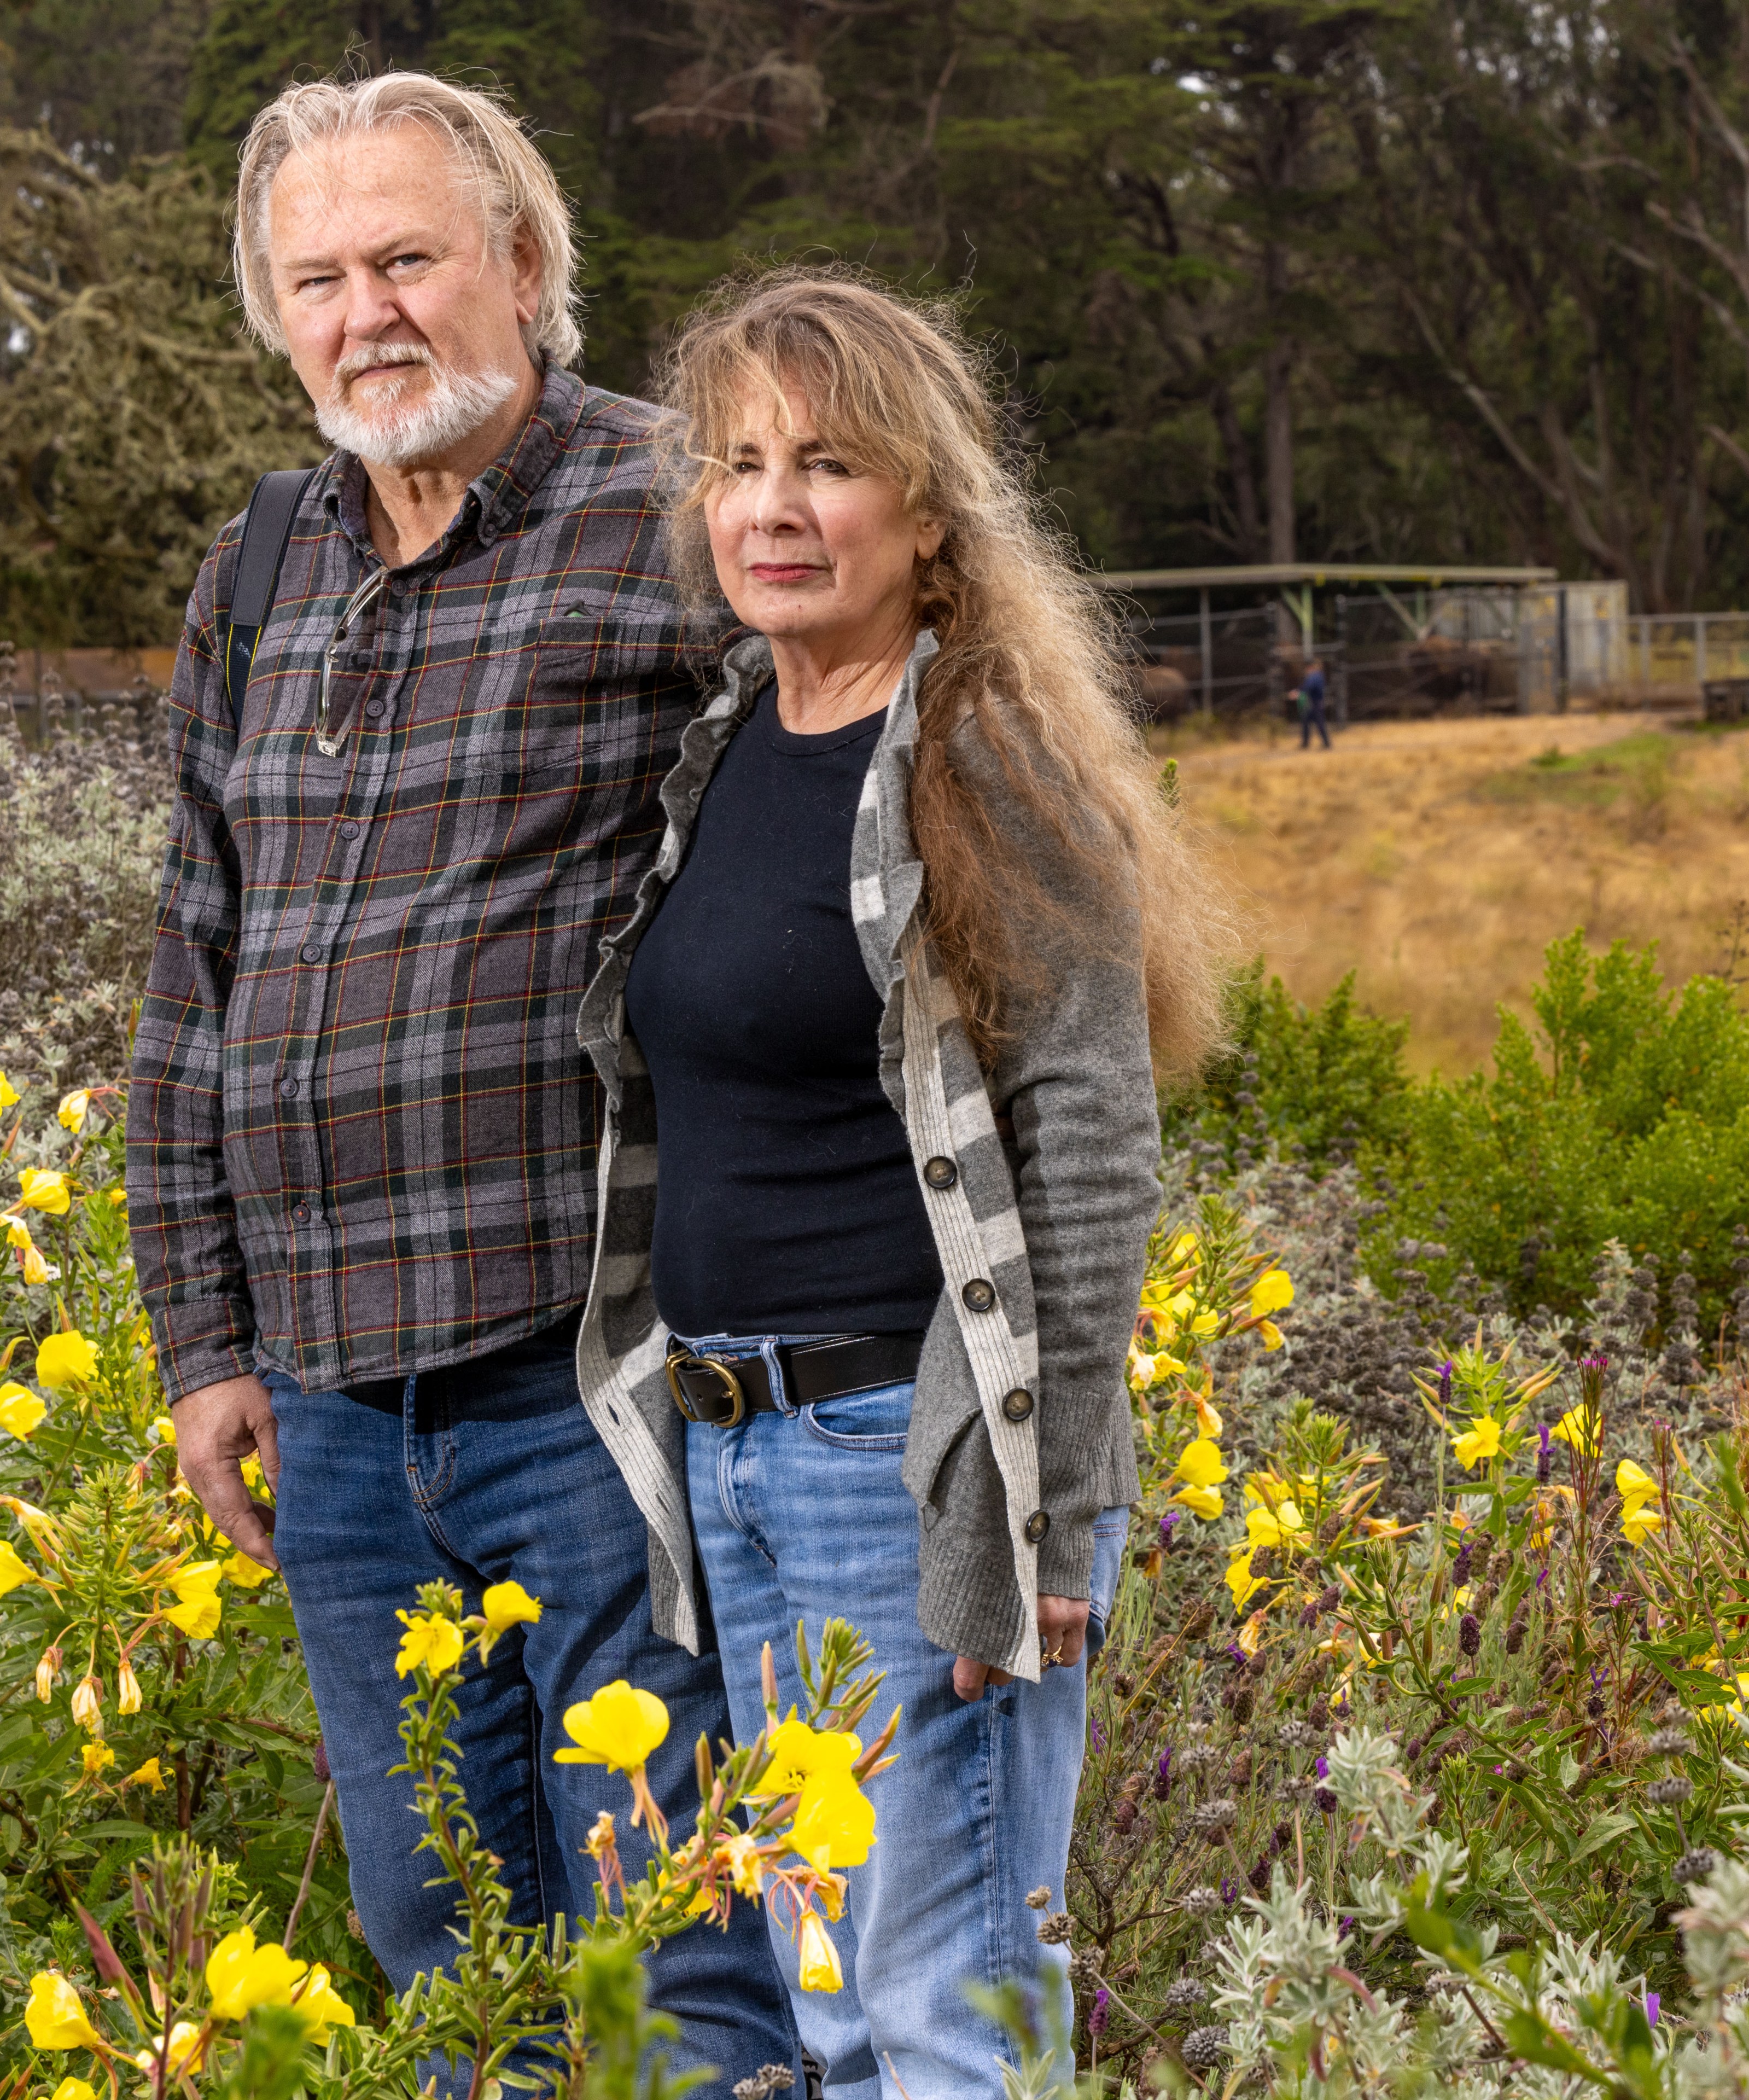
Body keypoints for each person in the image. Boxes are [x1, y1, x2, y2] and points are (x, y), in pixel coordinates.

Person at [126, 75, 800, 2092]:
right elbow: (194, 972)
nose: (368, 316)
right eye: (318, 279)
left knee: (680, 1959)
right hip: (333, 1417)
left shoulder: (684, 509)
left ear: (525, 262)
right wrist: (195, 1341)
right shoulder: (262, 564)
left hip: (599, 1376)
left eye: (410, 258)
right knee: (450, 1977)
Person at [572, 272, 1228, 2098]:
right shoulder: (716, 753)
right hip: (731, 1455)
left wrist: (1046, 1506)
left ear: (926, 513)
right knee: (830, 2003)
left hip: (907, 1456)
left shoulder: (978, 760)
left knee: (945, 2010)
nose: (773, 507)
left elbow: (1089, 1145)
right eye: (737, 463)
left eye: (829, 463)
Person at [1295, 655, 1331, 748]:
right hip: (1314, 703)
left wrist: (1298, 692)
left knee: (1319, 723)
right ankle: (1307, 743)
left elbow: (1308, 687)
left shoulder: (1315, 676)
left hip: (1315, 703)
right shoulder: (1318, 676)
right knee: (1308, 722)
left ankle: (1325, 743)